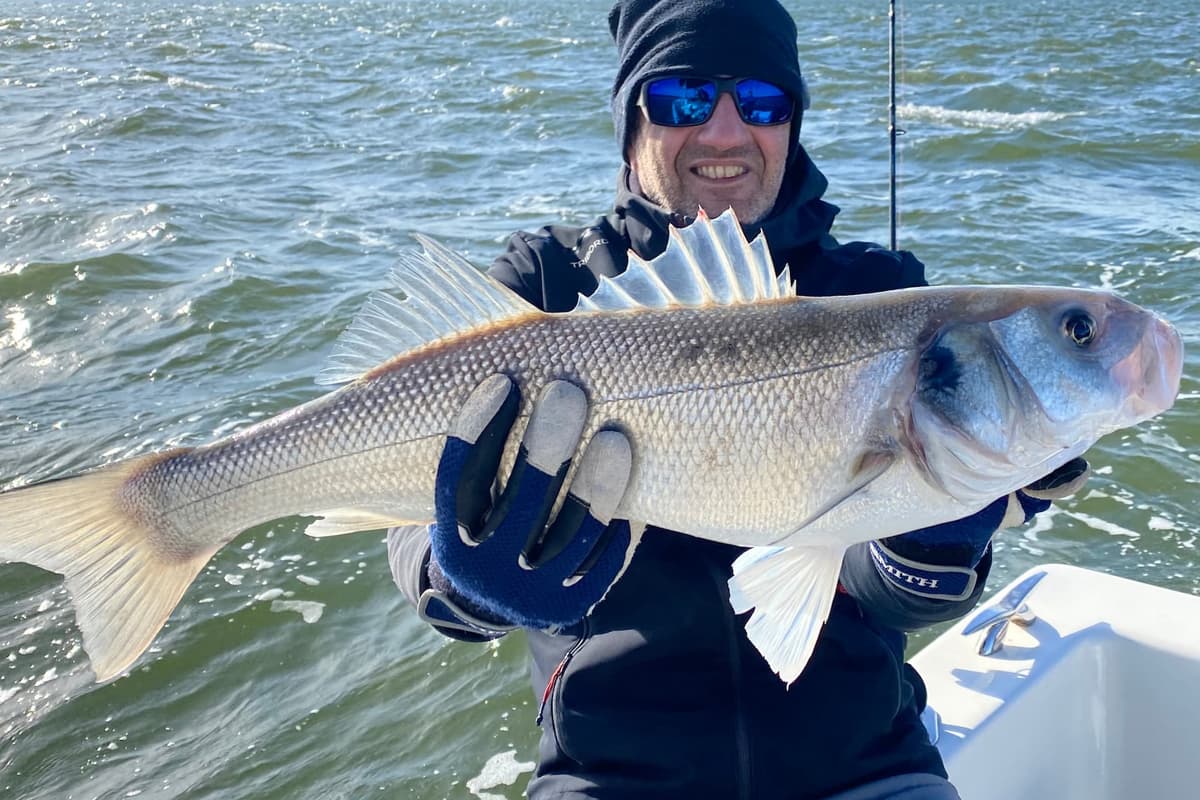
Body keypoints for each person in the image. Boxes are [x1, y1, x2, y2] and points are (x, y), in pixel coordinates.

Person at [388, 1, 1088, 797]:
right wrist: (462, 578)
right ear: (630, 119)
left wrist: (934, 542)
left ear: (790, 123)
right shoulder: (546, 290)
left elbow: (884, 596)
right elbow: (406, 510)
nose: (725, 133)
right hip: (609, 778)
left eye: (761, 102)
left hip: (869, 767)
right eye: (683, 97)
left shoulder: (881, 298)